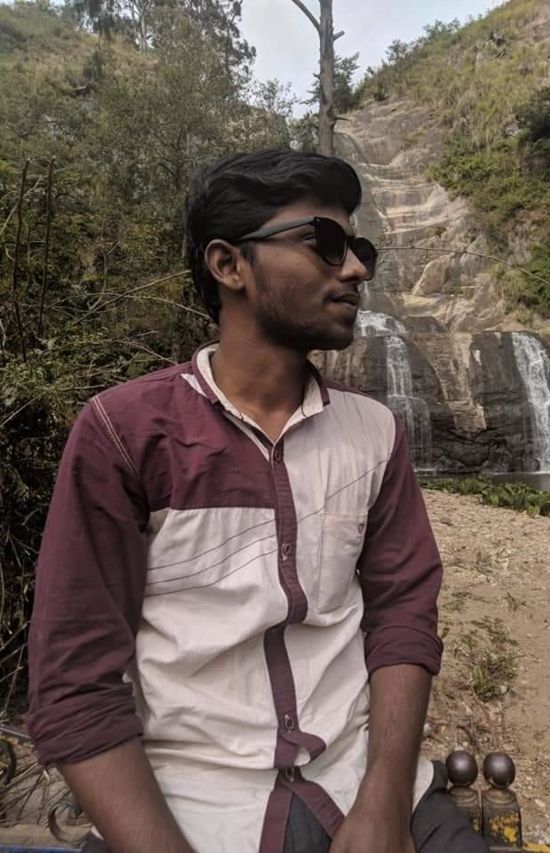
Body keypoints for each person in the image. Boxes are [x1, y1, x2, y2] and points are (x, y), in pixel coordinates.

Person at [27, 150, 488, 853]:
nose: (355, 269)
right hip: (186, 807)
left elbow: (402, 615)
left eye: (358, 249)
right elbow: (74, 681)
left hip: (360, 780)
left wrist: (386, 800)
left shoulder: (375, 432)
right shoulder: (125, 434)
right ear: (228, 265)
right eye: (323, 243)